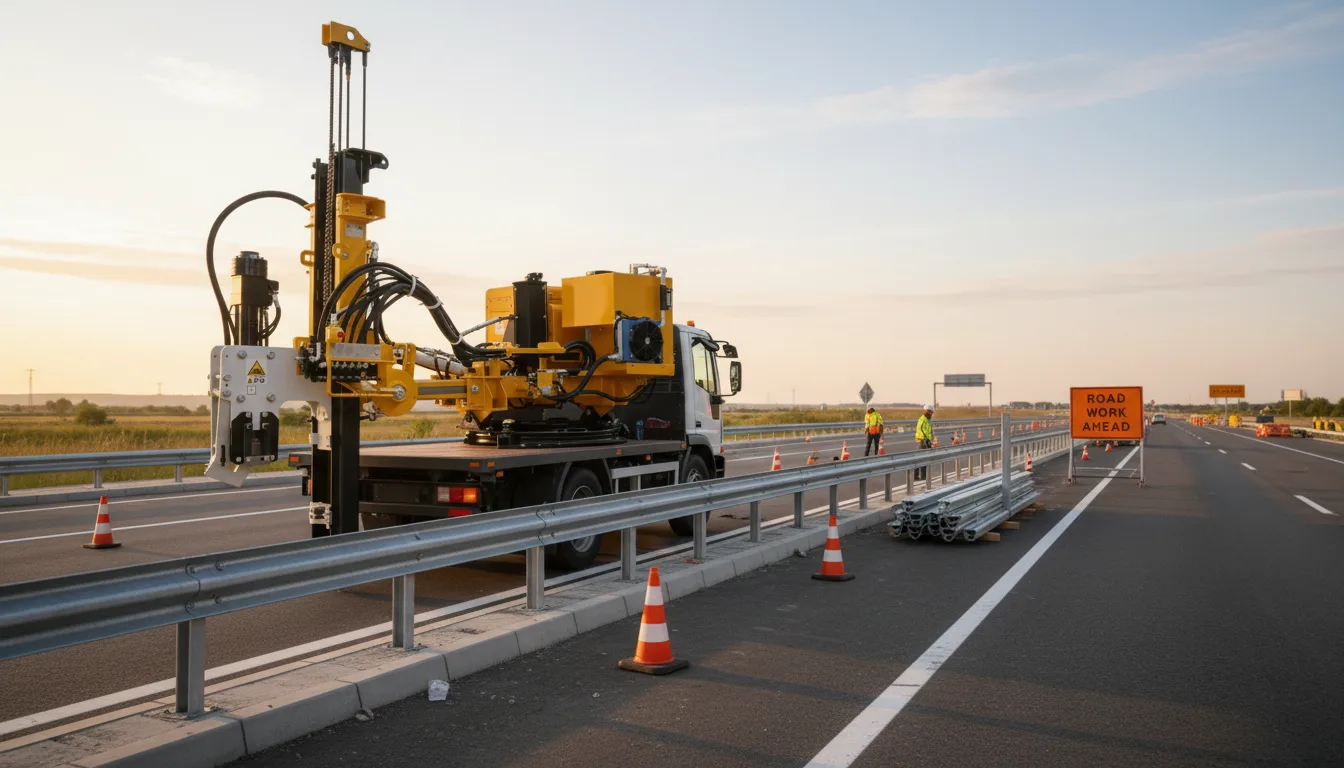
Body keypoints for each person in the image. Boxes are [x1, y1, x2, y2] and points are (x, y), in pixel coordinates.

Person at [914, 404, 934, 480]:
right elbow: (920, 429)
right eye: (931, 412)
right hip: (922, 441)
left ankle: (923, 476)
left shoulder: (927, 420)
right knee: (921, 459)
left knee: (924, 459)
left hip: (927, 441)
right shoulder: (922, 419)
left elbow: (928, 431)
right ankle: (918, 476)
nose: (932, 414)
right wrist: (924, 439)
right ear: (927, 411)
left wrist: (930, 439)